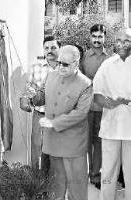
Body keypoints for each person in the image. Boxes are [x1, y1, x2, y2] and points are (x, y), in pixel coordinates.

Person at [32, 45, 93, 200]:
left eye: (65, 64)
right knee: (55, 187)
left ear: (76, 64)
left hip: (73, 145)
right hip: (53, 142)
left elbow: (80, 113)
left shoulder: (85, 84)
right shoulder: (51, 76)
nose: (60, 67)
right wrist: (33, 97)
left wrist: (54, 123)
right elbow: (42, 94)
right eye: (59, 62)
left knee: (76, 188)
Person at [93, 28, 131, 200]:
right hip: (111, 127)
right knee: (107, 174)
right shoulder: (107, 65)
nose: (122, 44)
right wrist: (108, 102)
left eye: (127, 41)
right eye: (119, 41)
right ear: (114, 42)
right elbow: (97, 94)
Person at [20, 36, 60, 172]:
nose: (50, 51)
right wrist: (25, 101)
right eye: (47, 48)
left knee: (57, 152)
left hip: (61, 117)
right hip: (40, 115)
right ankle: (37, 184)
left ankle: (54, 184)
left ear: (59, 49)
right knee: (38, 150)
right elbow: (27, 90)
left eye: (53, 47)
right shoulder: (36, 68)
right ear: (43, 50)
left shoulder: (66, 69)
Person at [81, 24, 109, 189]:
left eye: (100, 36)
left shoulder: (110, 58)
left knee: (99, 142)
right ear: (90, 37)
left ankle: (95, 175)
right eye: (94, 36)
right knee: (84, 141)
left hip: (103, 107)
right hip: (85, 107)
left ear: (104, 37)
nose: (97, 40)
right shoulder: (84, 57)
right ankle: (83, 173)